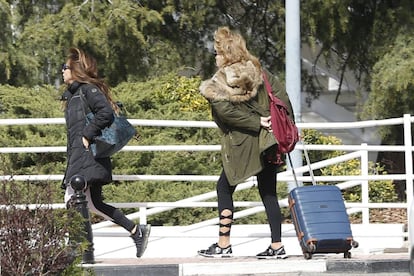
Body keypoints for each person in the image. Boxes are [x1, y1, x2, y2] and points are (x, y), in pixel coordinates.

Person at [197, 27, 294, 259]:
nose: (215, 57)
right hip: (268, 142)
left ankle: (224, 243)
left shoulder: (222, 79)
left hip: (242, 143)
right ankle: (277, 245)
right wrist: (270, 123)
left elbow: (225, 111)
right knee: (268, 192)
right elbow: (284, 101)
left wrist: (254, 122)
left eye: (217, 53)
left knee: (224, 187)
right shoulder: (262, 72)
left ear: (226, 54)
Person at [60, 47, 150, 258]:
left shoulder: (87, 90)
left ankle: (78, 250)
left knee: (71, 199)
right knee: (92, 203)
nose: (62, 71)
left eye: (65, 67)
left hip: (87, 155)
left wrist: (86, 135)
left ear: (75, 69)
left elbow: (105, 112)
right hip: (81, 155)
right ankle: (137, 231)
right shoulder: (74, 96)